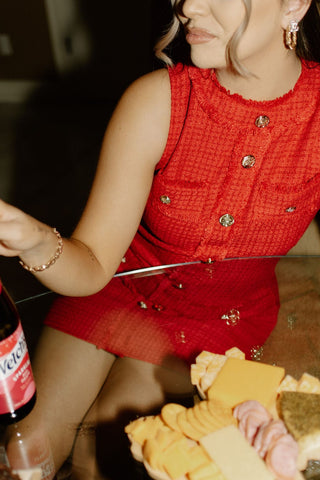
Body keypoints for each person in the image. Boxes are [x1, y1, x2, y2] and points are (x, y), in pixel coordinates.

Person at [1, 0, 320, 478]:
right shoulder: (156, 100)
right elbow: (91, 267)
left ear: (293, 4)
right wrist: (32, 239)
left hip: (215, 320)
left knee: (101, 462)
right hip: (115, 288)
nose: (188, 5)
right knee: (25, 452)